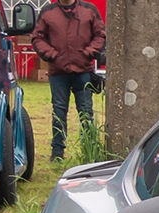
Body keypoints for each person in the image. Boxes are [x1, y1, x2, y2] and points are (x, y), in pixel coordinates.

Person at [31, 0, 105, 162]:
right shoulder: (48, 12)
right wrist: (52, 55)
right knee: (58, 112)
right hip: (58, 73)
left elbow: (100, 35)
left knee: (86, 112)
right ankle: (57, 153)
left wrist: (89, 52)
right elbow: (37, 37)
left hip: (83, 71)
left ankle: (89, 150)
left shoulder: (89, 10)